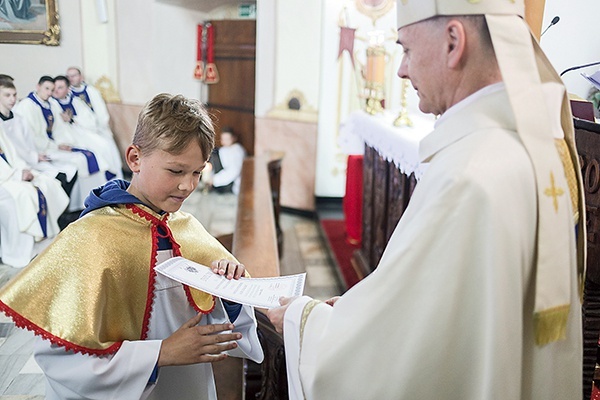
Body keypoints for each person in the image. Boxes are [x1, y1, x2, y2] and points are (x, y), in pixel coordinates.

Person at [267, 1, 585, 399]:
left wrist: (302, 319)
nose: (400, 69)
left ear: (454, 42)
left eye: (407, 50)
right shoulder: (540, 146)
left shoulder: (468, 175)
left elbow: (400, 355)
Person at [0, 93, 264, 399]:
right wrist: (159, 354)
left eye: (197, 172)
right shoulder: (91, 237)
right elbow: (59, 358)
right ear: (135, 158)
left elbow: (220, 327)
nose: (187, 186)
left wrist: (228, 292)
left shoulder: (186, 228)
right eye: (176, 171)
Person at [13, 76, 111, 212]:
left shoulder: (50, 104)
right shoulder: (27, 106)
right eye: (46, 89)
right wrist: (54, 147)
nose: (49, 93)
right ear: (38, 86)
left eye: (51, 90)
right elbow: (31, 137)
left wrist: (61, 143)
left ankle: (79, 204)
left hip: (50, 146)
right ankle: (65, 209)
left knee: (83, 159)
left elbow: (58, 129)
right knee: (74, 164)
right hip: (38, 151)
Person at [0, 123, 69, 268]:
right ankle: (20, 251)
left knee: (45, 183)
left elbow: (13, 154)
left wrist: (23, 169)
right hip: (4, 181)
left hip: (11, 175)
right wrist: (18, 175)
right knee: (24, 194)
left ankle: (43, 237)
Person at [0, 78, 78, 201]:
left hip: (31, 158)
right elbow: (10, 152)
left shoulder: (19, 119)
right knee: (56, 179)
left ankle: (62, 214)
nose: (12, 99)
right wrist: (33, 157)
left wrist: (36, 155)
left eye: (14, 95)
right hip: (16, 166)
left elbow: (28, 142)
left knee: (70, 171)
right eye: (7, 95)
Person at [53, 75, 123, 180]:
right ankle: (105, 176)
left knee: (105, 145)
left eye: (60, 87)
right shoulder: (52, 103)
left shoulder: (75, 100)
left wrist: (73, 119)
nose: (56, 91)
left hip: (81, 131)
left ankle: (113, 176)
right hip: (67, 137)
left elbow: (90, 120)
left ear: (67, 89)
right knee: (96, 149)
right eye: (55, 87)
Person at [206, 127, 246, 194]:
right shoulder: (223, 150)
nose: (225, 141)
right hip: (221, 179)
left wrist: (214, 180)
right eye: (223, 139)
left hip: (232, 184)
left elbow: (234, 171)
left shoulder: (237, 151)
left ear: (234, 138)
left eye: (228, 139)